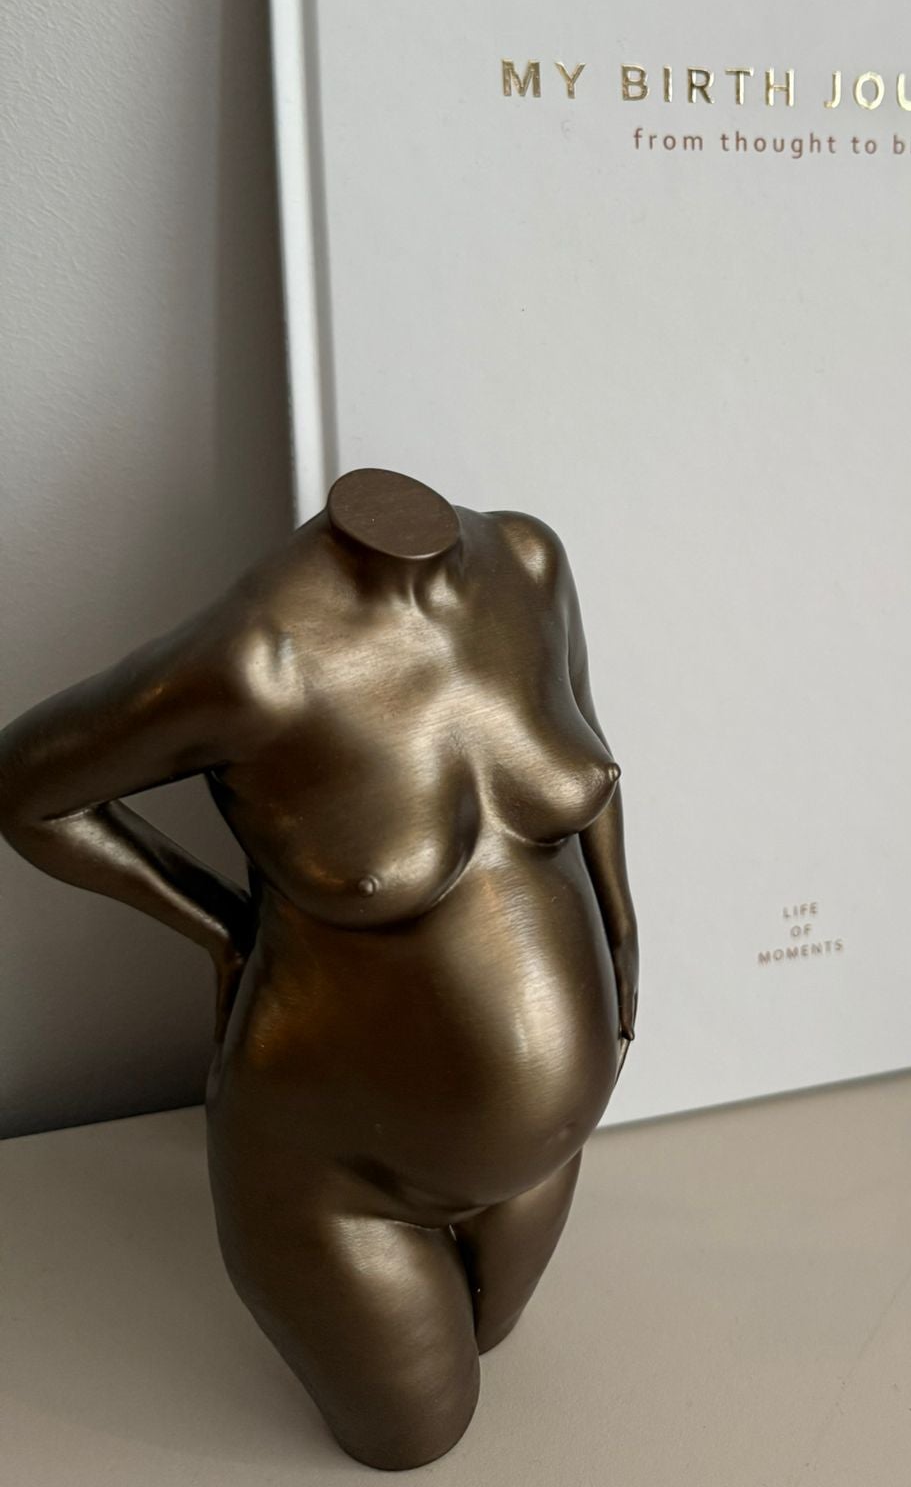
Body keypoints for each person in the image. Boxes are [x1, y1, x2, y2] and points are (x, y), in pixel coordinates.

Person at [0, 466, 638, 1470]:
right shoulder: (257, 661)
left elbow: (593, 767)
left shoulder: (528, 562)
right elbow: (25, 788)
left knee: (497, 1336)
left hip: (549, 1148)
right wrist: (223, 928)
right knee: (419, 1435)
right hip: (340, 1181)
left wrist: (624, 940)